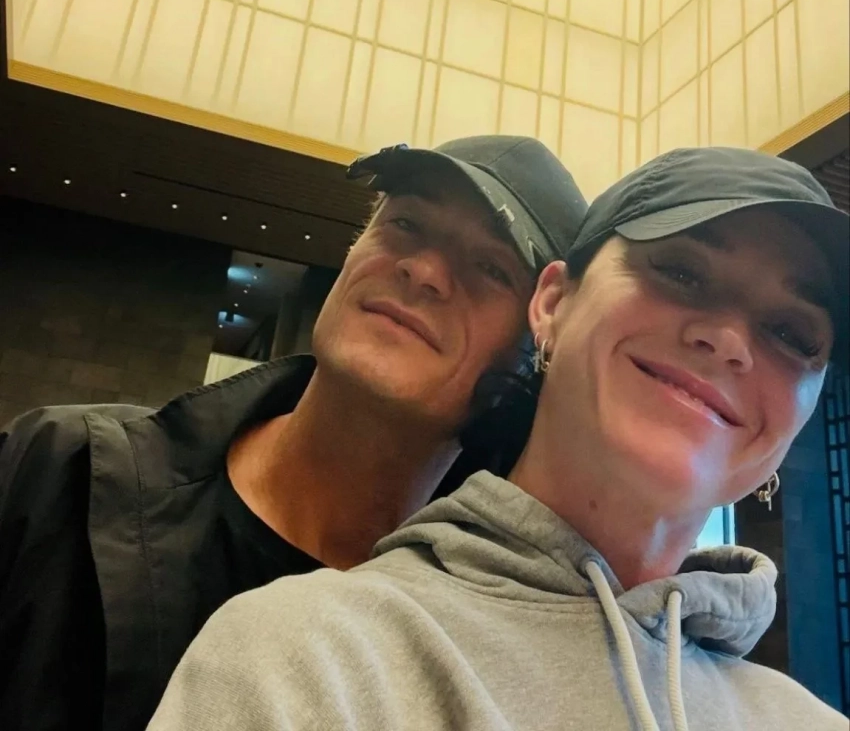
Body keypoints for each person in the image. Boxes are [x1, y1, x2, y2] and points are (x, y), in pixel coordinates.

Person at [148, 146, 848, 731]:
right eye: (682, 271)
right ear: (554, 302)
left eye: (793, 333)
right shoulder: (311, 659)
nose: (728, 340)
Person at [0, 135, 588, 731]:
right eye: (406, 223)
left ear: (531, 355)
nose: (424, 270)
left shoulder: (481, 649)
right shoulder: (58, 469)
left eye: (491, 268)